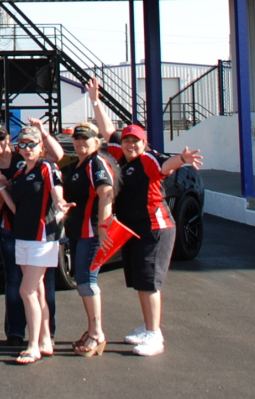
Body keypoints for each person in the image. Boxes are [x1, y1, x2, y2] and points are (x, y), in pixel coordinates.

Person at [87, 78, 203, 357]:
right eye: (127, 140)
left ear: (144, 143)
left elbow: (165, 166)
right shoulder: (119, 153)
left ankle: (155, 334)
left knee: (149, 281)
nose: (129, 144)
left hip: (156, 229)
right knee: (140, 279)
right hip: (134, 228)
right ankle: (148, 327)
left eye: (135, 141)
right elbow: (107, 129)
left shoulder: (148, 160)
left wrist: (182, 159)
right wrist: (95, 100)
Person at [0, 125, 72, 365]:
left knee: (25, 291)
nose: (28, 149)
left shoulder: (47, 168)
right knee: (36, 291)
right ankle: (45, 340)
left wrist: (60, 202)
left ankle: (33, 345)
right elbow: (16, 209)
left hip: (42, 239)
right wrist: (0, 188)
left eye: (32, 145)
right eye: (24, 145)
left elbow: (57, 191)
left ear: (40, 147)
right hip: (23, 237)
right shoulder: (18, 174)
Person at [0, 121, 61, 348]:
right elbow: (9, 200)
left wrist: (61, 203)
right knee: (18, 283)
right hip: (13, 230)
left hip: (41, 233)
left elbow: (57, 171)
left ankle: (42, 338)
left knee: (34, 287)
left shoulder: (37, 163)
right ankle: (18, 332)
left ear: (8, 140)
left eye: (0, 138)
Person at [60, 121, 115, 357]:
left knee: (88, 281)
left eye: (87, 138)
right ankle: (92, 329)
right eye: (78, 138)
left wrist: (104, 225)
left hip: (92, 232)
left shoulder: (96, 163)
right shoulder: (78, 165)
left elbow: (106, 193)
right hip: (77, 232)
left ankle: (97, 334)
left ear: (97, 141)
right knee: (82, 279)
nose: (81, 142)